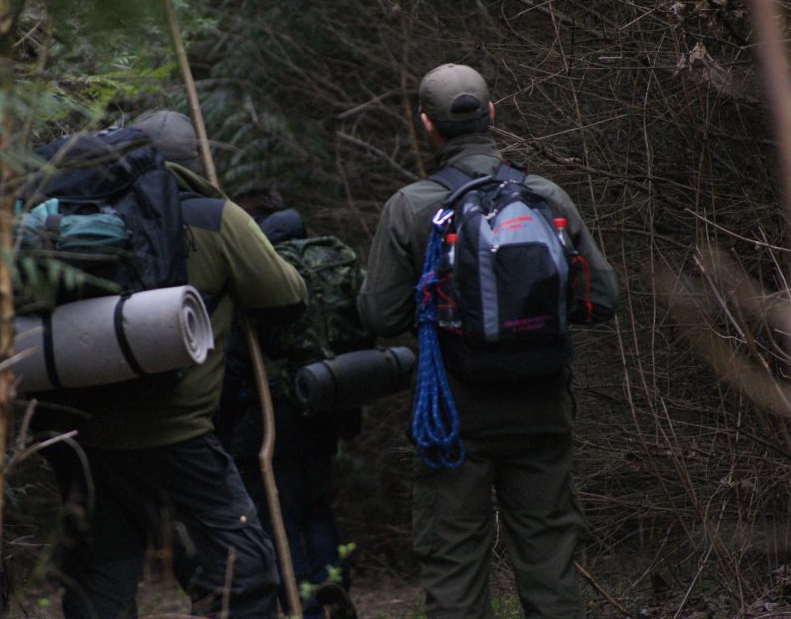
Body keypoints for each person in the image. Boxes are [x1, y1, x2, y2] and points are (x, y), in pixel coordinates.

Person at [357, 64, 619, 619]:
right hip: (542, 409)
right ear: (492, 115)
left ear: (426, 125)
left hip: (453, 418)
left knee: (454, 568)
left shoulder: (410, 207)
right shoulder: (545, 196)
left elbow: (380, 313)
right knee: (549, 564)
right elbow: (604, 299)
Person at [32, 111, 308, 619]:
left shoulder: (80, 216)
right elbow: (288, 298)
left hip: (83, 439)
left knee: (98, 592)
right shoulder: (215, 217)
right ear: (197, 162)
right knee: (240, 581)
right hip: (177, 438)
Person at [215, 189, 359, 619]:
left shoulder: (257, 270)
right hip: (325, 409)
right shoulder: (321, 259)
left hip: (269, 421)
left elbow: (236, 359)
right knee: (317, 506)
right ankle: (333, 582)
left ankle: (307, 608)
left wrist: (222, 423)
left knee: (281, 522)